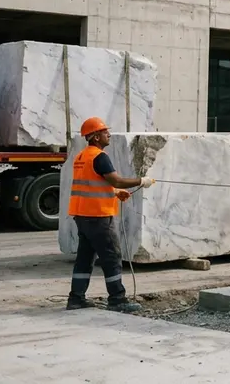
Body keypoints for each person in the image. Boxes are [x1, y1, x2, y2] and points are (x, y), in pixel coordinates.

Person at [66, 116, 155, 312]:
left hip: (82, 216)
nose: (109, 134)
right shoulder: (100, 157)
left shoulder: (81, 157)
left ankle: (76, 298)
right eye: (105, 131)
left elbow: (90, 184)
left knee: (85, 258)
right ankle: (117, 299)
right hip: (98, 217)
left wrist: (114, 193)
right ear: (96, 137)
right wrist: (142, 180)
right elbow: (117, 180)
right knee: (111, 256)